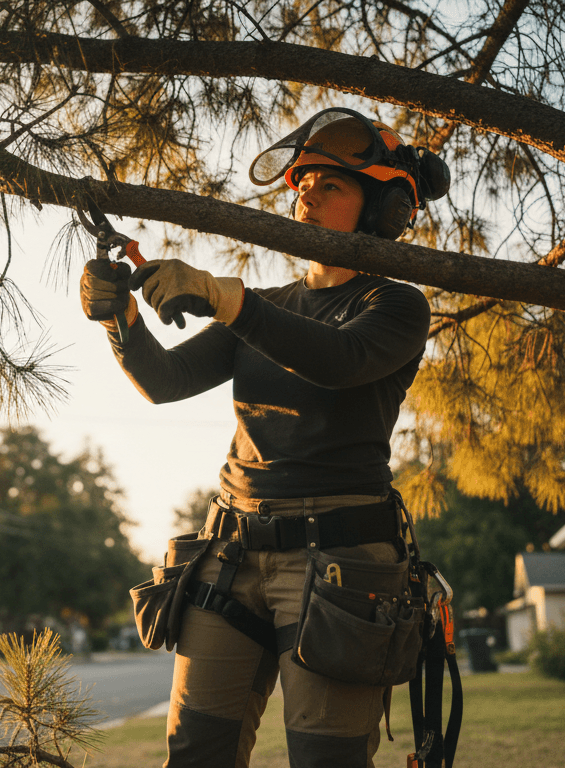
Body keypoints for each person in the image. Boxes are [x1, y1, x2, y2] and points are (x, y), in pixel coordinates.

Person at [79, 109, 449, 768]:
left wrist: (227, 299)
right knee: (197, 755)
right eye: (302, 182)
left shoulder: (398, 307)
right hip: (228, 553)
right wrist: (121, 317)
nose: (305, 194)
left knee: (324, 760)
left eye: (330, 185)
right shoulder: (265, 303)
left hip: (337, 566)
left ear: (385, 210)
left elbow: (337, 360)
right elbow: (165, 380)